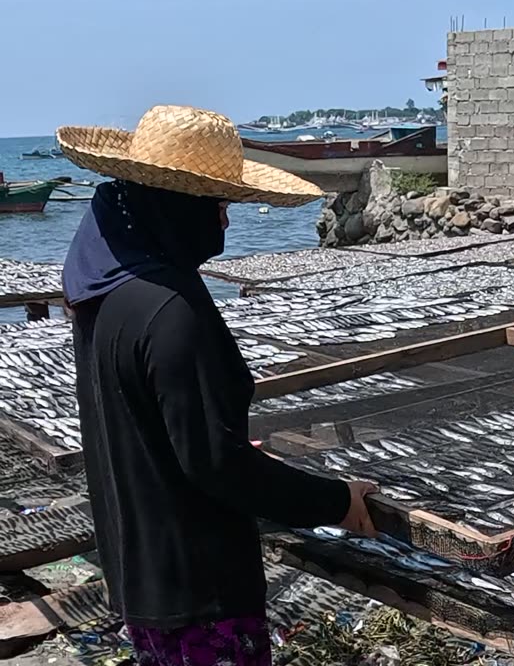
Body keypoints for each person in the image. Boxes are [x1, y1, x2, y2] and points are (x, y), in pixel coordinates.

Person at [60, 105, 379, 666]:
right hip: (198, 590)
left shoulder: (103, 291)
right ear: (175, 207)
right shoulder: (172, 310)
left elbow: (158, 429)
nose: (226, 224)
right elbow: (214, 465)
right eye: (218, 207)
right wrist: (337, 502)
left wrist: (212, 437)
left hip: (142, 575)